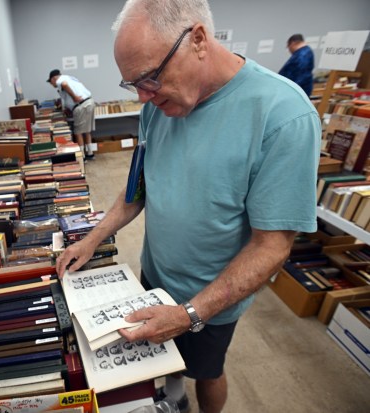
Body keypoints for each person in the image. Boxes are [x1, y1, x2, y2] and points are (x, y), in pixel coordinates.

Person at [54, 1, 321, 413]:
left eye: (150, 78)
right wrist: (91, 239)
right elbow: (135, 190)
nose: (144, 96)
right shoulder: (156, 109)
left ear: (197, 40)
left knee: (207, 371)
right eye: (133, 85)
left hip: (211, 297)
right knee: (165, 363)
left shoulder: (283, 113)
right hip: (155, 275)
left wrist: (190, 313)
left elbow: (272, 246)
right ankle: (173, 395)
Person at [47, 69, 96, 159]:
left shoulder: (59, 81)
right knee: (87, 131)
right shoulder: (69, 77)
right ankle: (90, 153)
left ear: (53, 78)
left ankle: (82, 157)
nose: (52, 85)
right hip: (89, 102)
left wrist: (74, 97)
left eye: (51, 82)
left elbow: (64, 85)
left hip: (81, 106)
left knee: (78, 132)